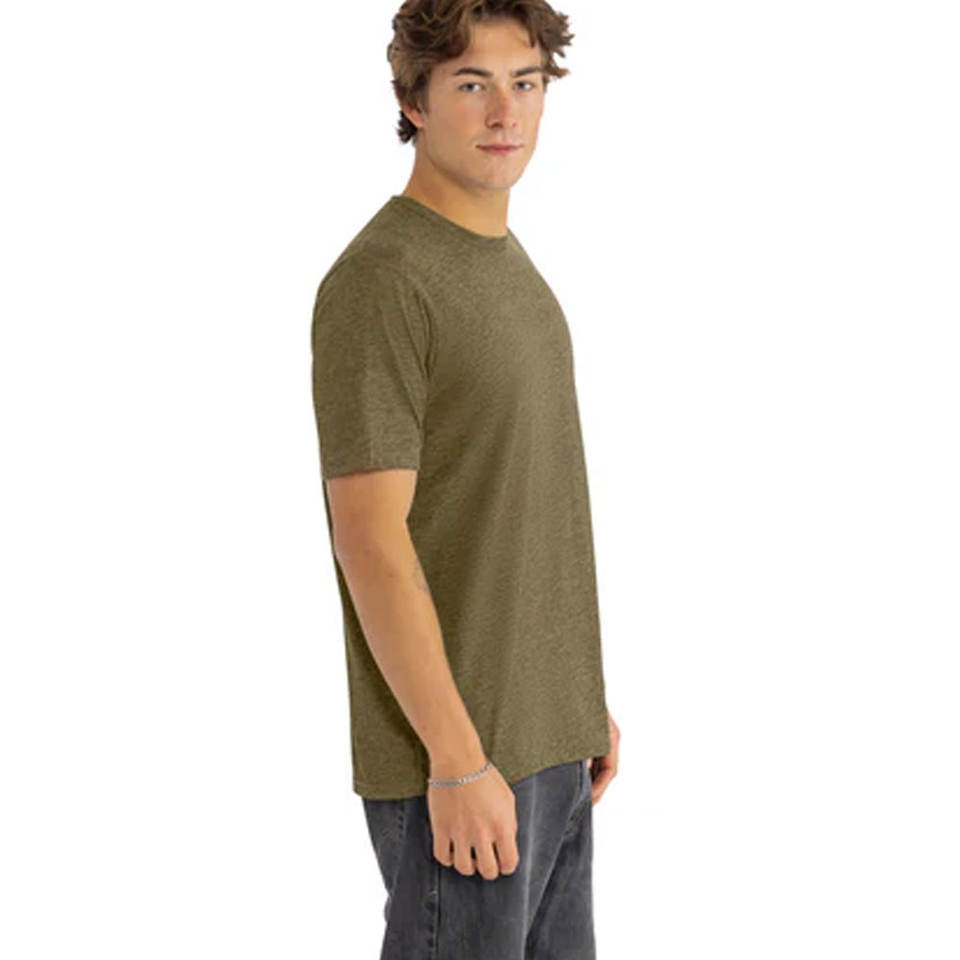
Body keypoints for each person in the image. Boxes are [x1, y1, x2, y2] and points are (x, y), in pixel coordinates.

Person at [310, 2, 620, 956]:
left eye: (525, 82)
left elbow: (520, 504)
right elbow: (370, 536)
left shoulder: (509, 269)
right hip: (463, 764)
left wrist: (578, 698)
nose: (504, 112)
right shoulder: (383, 281)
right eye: (472, 84)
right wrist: (454, 758)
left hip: (546, 748)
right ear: (413, 100)